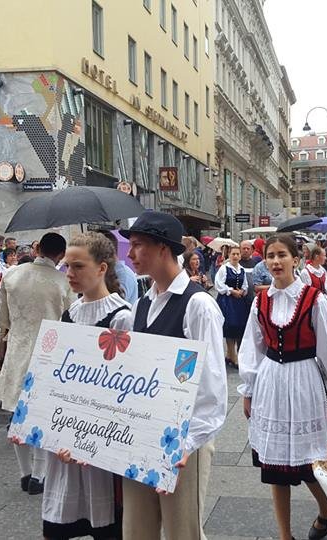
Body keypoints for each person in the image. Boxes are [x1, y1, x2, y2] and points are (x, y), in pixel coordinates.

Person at [116, 211, 228, 540]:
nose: (130, 254)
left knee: (183, 531)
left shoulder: (198, 305)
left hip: (182, 437)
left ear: (163, 248)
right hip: (142, 433)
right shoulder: (140, 305)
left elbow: (211, 386)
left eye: (138, 245)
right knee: (136, 530)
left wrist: (188, 442)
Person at [239, 234, 327, 540]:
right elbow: (252, 347)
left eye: (282, 255)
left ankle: (326, 510)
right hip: (271, 383)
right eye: (271, 256)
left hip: (304, 381)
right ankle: (284, 535)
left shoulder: (313, 298)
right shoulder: (260, 301)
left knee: (309, 463)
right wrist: (248, 390)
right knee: (274, 469)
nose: (276, 261)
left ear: (296, 259)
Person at [38, 231, 132, 540]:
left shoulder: (121, 317)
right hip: (68, 432)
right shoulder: (70, 313)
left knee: (105, 525)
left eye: (78, 266)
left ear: (102, 268)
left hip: (101, 437)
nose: (69, 273)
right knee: (59, 526)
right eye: (67, 265)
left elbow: (124, 388)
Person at [0, 233, 73, 496]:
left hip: (18, 349)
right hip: (50, 353)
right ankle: (39, 475)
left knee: (18, 414)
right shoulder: (63, 281)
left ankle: (24, 472)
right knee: (43, 415)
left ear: (38, 248)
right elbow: (71, 318)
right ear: (60, 254)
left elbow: (1, 318)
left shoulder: (11, 275)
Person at [216, 245, 249, 368]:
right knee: (229, 327)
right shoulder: (224, 268)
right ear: (229, 255)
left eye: (237, 254)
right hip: (227, 301)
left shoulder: (242, 269)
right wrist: (231, 291)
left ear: (240, 256)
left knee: (238, 327)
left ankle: (230, 355)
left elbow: (245, 284)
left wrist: (242, 291)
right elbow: (219, 284)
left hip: (239, 302)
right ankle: (233, 356)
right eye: (233, 254)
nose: (235, 256)